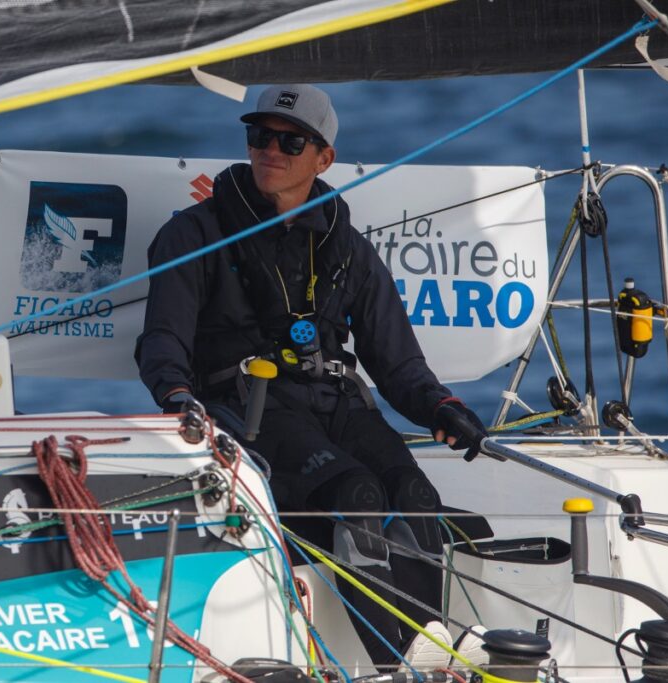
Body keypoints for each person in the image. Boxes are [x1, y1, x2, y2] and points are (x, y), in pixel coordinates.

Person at [135, 84, 490, 671]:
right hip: (249, 406)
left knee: (418, 497)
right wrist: (175, 397)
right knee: (356, 496)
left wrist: (440, 407)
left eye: (290, 140)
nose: (270, 150)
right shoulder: (192, 233)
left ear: (323, 158)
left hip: (335, 402)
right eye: (259, 136)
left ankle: (430, 653)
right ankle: (401, 663)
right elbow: (162, 338)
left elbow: (396, 360)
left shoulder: (344, 244)